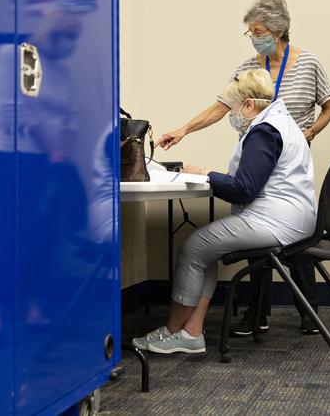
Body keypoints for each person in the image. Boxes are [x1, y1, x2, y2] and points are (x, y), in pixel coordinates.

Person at [157, 0, 330, 335]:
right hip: (264, 157)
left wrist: (307, 133)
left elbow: (329, 106)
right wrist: (183, 130)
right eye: (251, 32)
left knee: (259, 236)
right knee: (257, 236)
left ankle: (307, 314)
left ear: (279, 30)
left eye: (260, 31)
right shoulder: (248, 71)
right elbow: (220, 106)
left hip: (282, 159)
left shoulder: (308, 64)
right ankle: (257, 313)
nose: (255, 37)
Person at [133, 69, 316, 354]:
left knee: (192, 249)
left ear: (248, 104)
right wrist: (210, 175)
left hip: (276, 220)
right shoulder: (281, 122)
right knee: (204, 252)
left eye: (232, 108)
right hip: (292, 216)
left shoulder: (264, 131)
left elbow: (244, 189)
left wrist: (205, 173)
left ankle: (172, 330)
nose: (231, 115)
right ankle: (191, 333)